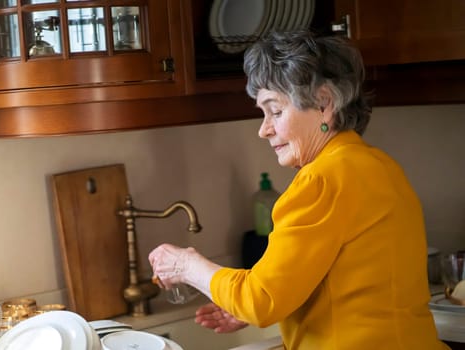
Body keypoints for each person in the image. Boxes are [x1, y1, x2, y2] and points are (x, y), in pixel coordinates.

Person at [148, 30, 447, 349]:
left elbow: (260, 300)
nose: (264, 129)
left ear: (324, 103)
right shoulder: (380, 166)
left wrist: (186, 265)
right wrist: (271, 301)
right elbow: (351, 288)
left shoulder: (321, 180)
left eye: (275, 110)